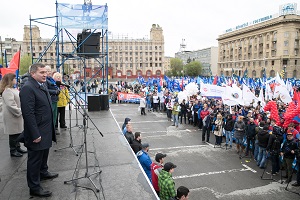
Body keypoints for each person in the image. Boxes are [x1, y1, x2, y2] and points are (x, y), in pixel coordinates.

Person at [20, 63, 58, 197]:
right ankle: (34, 187)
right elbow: (28, 113)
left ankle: (43, 172)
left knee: (43, 155)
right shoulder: (28, 88)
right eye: (41, 72)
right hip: (37, 131)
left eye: (45, 72)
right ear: (32, 73)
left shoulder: (41, 84)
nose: (45, 74)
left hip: (45, 129)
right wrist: (35, 134)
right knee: (34, 160)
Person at [0, 73, 26, 157]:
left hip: (16, 115)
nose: (16, 80)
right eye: (14, 79)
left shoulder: (12, 89)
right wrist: (19, 111)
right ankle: (13, 150)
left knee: (17, 132)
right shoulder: (7, 91)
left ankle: (17, 147)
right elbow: (10, 104)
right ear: (10, 80)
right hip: (12, 115)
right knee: (13, 134)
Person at [45, 65, 60, 134]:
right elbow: (46, 90)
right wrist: (55, 92)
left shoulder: (52, 79)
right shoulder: (45, 80)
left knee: (55, 115)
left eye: (50, 71)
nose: (49, 72)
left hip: (55, 99)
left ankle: (53, 129)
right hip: (50, 99)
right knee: (51, 116)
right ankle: (50, 130)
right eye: (47, 71)